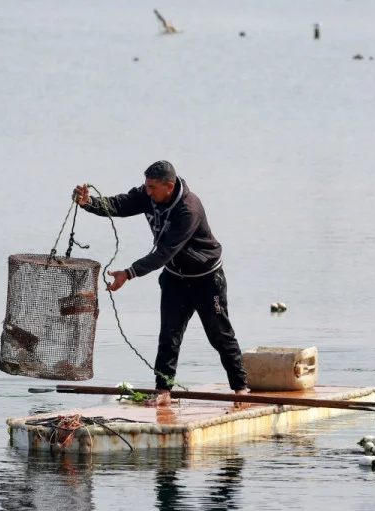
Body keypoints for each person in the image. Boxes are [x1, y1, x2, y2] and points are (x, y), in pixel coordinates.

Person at [73, 161, 248, 406]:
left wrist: (129, 273)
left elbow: (164, 252)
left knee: (219, 334)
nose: (148, 192)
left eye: (153, 187)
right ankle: (163, 391)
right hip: (175, 277)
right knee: (169, 334)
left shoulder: (189, 209)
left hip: (206, 278)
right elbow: (119, 204)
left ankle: (240, 389)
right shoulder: (149, 195)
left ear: (169, 186)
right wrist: (88, 203)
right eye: (146, 186)